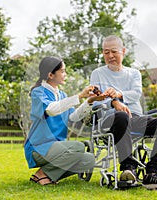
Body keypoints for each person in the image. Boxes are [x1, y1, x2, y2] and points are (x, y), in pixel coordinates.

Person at [90, 35, 157, 190]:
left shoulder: (134, 73)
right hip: (110, 120)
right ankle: (128, 168)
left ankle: (153, 172)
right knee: (121, 115)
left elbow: (136, 93)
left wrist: (118, 94)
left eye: (114, 51)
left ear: (123, 51)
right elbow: (96, 98)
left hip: (135, 119)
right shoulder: (97, 73)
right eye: (106, 52)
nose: (110, 56)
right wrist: (113, 102)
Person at [24, 56, 105, 185]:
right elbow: (51, 110)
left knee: (89, 160)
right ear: (51, 75)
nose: (65, 74)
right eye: (62, 71)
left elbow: (74, 117)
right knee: (78, 146)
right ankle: (42, 174)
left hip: (58, 149)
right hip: (38, 148)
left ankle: (45, 175)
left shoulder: (62, 95)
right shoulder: (38, 92)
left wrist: (89, 101)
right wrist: (79, 96)